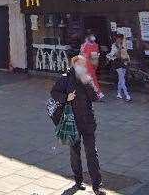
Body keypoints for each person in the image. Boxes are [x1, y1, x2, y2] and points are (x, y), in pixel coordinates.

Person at [51, 55, 104, 194]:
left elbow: (95, 97)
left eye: (83, 64)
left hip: (87, 122)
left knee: (92, 153)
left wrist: (88, 83)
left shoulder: (86, 78)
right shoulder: (65, 79)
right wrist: (65, 97)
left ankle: (97, 186)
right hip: (72, 122)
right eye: (79, 64)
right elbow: (54, 93)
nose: (82, 66)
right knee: (75, 153)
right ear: (73, 65)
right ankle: (78, 181)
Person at [106, 33, 131, 102]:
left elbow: (126, 53)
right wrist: (119, 49)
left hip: (124, 62)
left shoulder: (124, 45)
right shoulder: (114, 45)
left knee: (121, 79)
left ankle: (118, 93)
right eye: (118, 39)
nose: (120, 40)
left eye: (121, 39)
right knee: (122, 78)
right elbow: (114, 54)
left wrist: (128, 60)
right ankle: (127, 94)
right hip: (117, 63)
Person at [80, 32, 103, 99]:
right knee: (93, 79)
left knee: (89, 79)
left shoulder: (84, 45)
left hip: (86, 63)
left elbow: (81, 54)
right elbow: (96, 55)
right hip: (93, 62)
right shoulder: (95, 45)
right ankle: (95, 93)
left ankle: (98, 93)